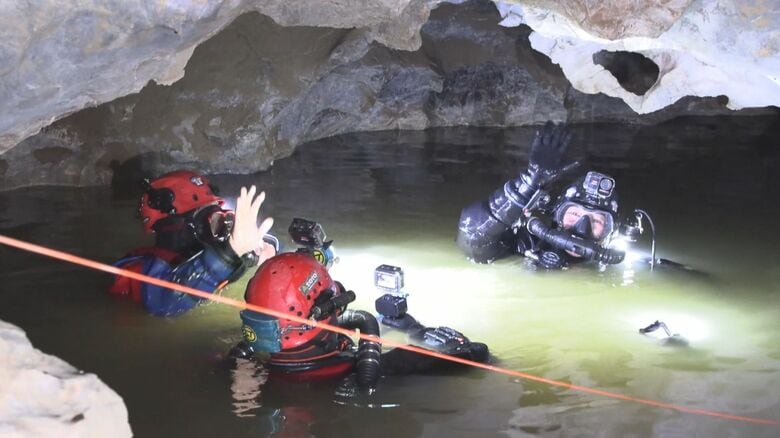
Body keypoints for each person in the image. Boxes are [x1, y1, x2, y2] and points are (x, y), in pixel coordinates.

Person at [230, 252, 489, 393]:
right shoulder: (386, 365)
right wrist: (417, 331)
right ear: (320, 310)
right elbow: (478, 354)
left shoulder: (249, 367)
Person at [456, 121, 625, 270]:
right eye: (574, 213)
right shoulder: (527, 245)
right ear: (557, 215)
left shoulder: (618, 265)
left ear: (610, 231)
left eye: (597, 221)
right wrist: (528, 184)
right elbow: (472, 236)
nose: (583, 226)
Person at [108, 170, 278, 316]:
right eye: (215, 221)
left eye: (224, 220)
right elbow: (166, 304)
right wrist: (229, 252)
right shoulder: (138, 271)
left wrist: (252, 256)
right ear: (177, 227)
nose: (223, 232)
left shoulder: (205, 261)